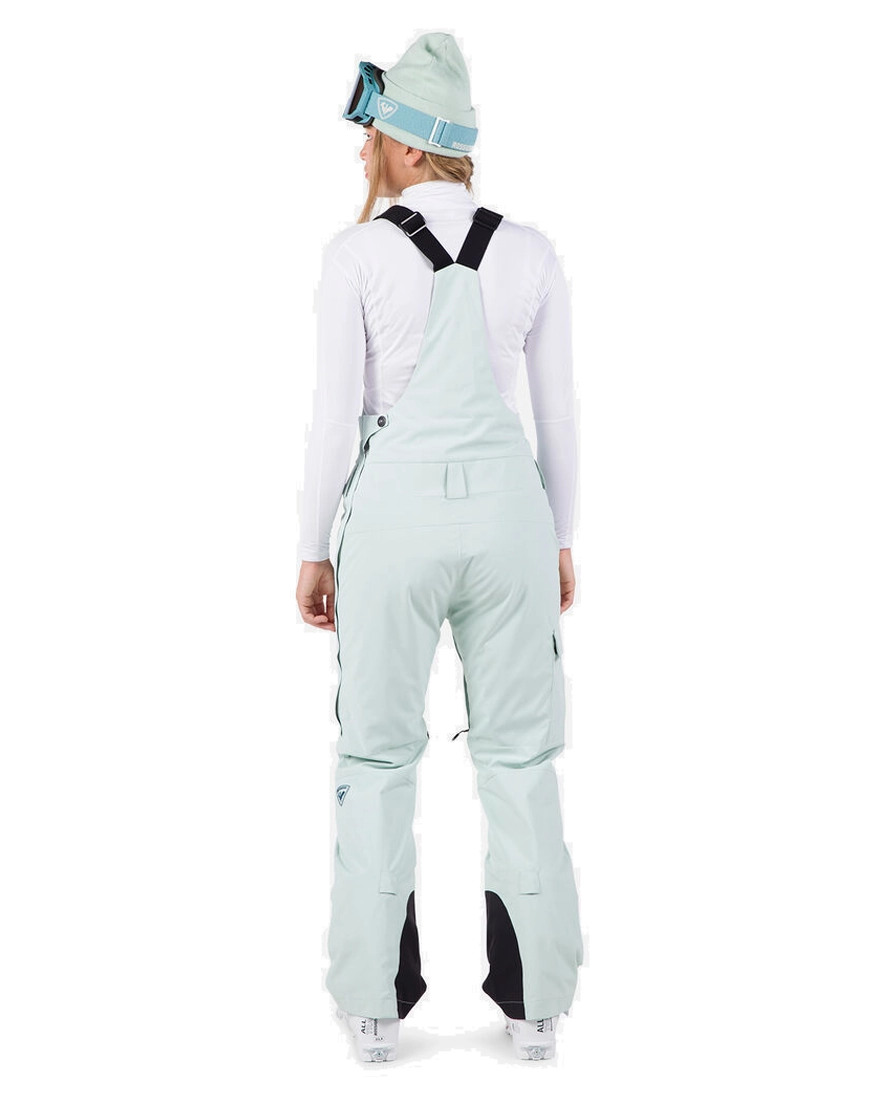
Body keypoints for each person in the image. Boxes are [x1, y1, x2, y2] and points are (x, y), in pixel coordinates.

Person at [296, 32, 582, 1063]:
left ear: (413, 145)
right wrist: (562, 540)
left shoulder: (357, 255)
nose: (365, 150)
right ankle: (535, 1011)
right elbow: (557, 414)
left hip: (396, 519)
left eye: (375, 134)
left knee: (377, 754)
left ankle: (375, 1011)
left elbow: (334, 422)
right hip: (509, 519)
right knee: (520, 755)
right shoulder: (533, 249)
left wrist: (313, 547)